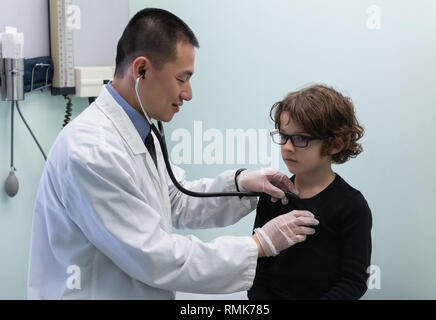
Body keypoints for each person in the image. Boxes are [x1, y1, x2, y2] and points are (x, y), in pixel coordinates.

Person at [27, 8, 319, 299]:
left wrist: (240, 184)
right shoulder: (91, 151)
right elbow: (154, 257)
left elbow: (176, 200)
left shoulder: (138, 129)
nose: (188, 93)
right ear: (141, 70)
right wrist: (259, 244)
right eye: (182, 79)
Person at [247, 84, 372, 300]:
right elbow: (258, 269)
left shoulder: (351, 205)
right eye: (283, 136)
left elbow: (353, 281)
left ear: (335, 144)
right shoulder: (273, 195)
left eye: (301, 139)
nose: (287, 147)